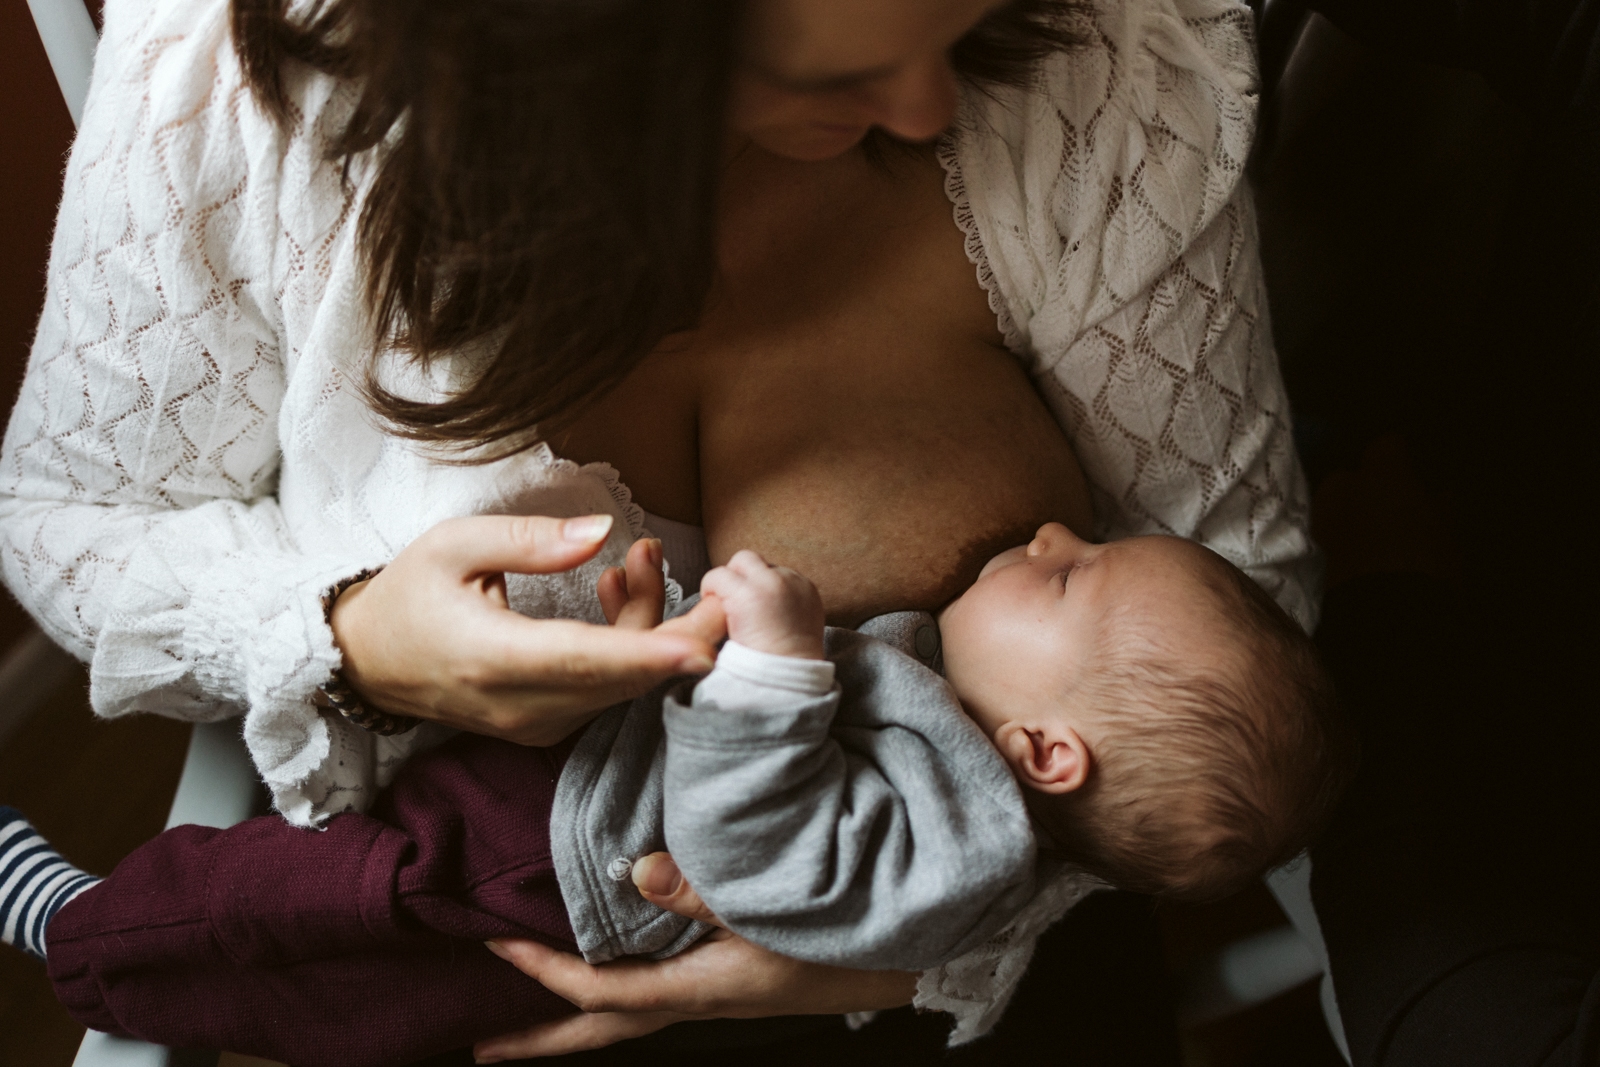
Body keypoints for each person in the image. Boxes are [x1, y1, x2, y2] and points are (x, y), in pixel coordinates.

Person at [0, 0, 1315, 1057]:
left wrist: (927, 942)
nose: (931, 108)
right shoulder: (234, 72)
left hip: (978, 978)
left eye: (960, 28)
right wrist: (348, 640)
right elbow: (69, 524)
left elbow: (1235, 605)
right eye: (828, 73)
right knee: (247, 947)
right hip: (501, 923)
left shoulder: (1110, 53)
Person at [9, 522, 1346, 1067]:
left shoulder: (968, 846)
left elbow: (753, 858)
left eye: (1066, 577)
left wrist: (766, 671)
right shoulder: (960, 732)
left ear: (1051, 756)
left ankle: (77, 928)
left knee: (294, 919)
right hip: (567, 791)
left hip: (539, 881)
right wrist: (664, 649)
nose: (1051, 533)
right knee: (320, 911)